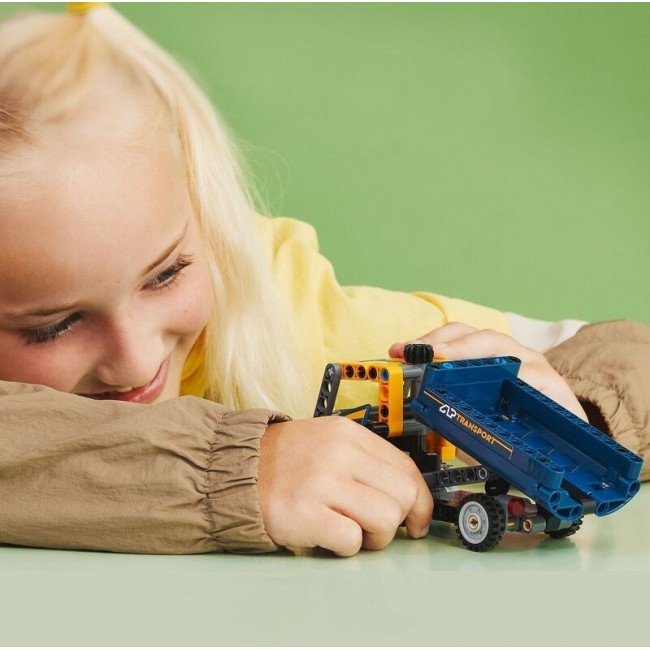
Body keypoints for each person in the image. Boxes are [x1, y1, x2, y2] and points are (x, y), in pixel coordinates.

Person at [0, 4, 647, 557]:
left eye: (167, 274)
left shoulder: (289, 316)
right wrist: (238, 474)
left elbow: (630, 354)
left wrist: (571, 415)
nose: (137, 357)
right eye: (55, 324)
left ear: (209, 222)